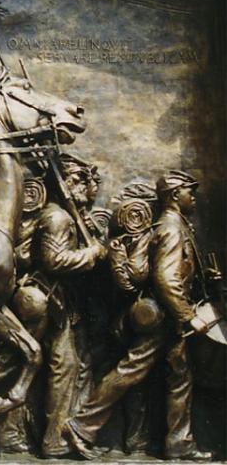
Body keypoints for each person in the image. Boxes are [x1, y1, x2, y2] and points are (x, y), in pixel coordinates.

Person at [63, 170, 217, 461]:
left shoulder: (175, 224)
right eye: (189, 191)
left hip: (167, 316)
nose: (193, 197)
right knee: (131, 370)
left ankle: (179, 443)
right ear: (174, 196)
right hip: (164, 317)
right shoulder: (172, 227)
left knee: (178, 376)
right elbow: (166, 278)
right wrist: (187, 317)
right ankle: (81, 425)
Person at [35, 154, 107, 458]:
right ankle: (54, 441)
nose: (84, 186)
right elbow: (54, 261)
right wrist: (92, 253)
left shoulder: (69, 215)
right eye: (77, 180)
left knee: (75, 366)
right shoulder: (57, 217)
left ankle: (68, 435)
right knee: (62, 368)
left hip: (69, 302)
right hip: (53, 302)